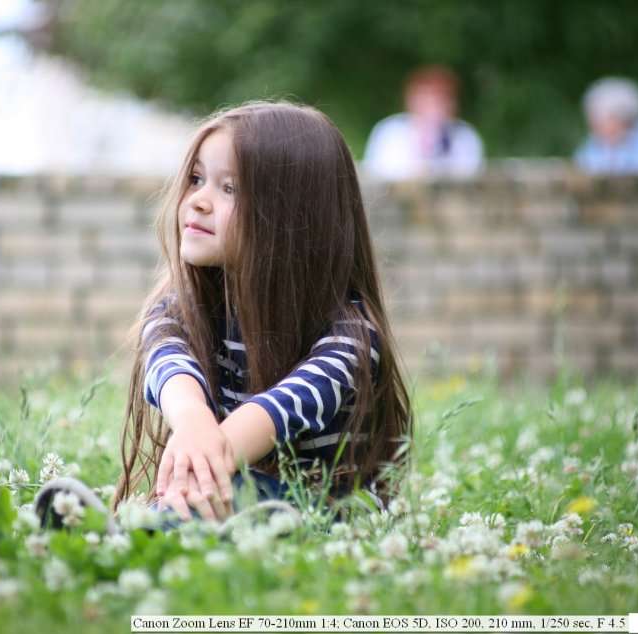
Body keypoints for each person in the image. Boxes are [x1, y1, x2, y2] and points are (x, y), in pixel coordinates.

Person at [103, 101, 413, 526]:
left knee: (220, 499)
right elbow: (168, 365)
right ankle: (124, 531)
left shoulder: (352, 339)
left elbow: (280, 412)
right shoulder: (181, 310)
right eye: (196, 179)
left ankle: (120, 534)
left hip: (322, 514)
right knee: (209, 501)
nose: (197, 201)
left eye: (228, 188)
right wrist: (192, 422)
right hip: (226, 486)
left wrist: (199, 457)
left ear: (293, 217)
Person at [363, 65, 484, 180]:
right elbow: (375, 176)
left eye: (442, 99)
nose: (435, 106)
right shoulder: (389, 132)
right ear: (411, 100)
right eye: (427, 99)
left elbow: (470, 178)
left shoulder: (465, 136)